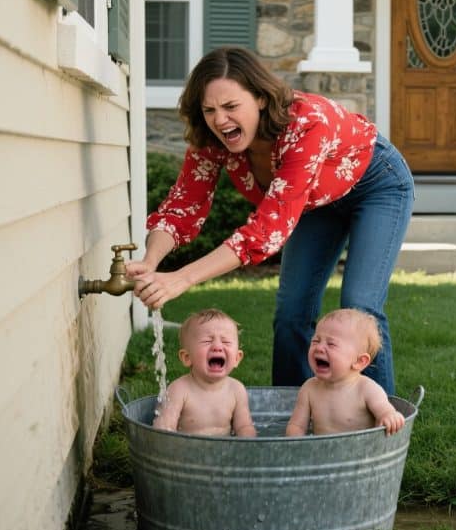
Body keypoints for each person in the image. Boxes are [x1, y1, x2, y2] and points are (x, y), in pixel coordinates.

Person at [127, 46, 414, 395]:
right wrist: (150, 262)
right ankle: (292, 419)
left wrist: (182, 278)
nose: (220, 120)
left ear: (261, 99)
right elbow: (182, 206)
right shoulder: (212, 138)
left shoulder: (306, 123)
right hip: (310, 203)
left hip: (376, 185)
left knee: (359, 307)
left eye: (231, 107)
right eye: (210, 110)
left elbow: (265, 232)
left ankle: (381, 426)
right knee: (292, 311)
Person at [285, 308, 406, 436]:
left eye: (331, 344)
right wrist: (295, 444)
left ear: (360, 361)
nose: (319, 347)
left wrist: (389, 416)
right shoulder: (309, 388)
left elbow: (385, 411)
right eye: (315, 341)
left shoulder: (367, 389)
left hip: (359, 453)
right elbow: (297, 425)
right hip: (319, 453)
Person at [152, 308, 257, 437]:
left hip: (225, 453)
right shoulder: (179, 390)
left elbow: (244, 426)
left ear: (237, 358)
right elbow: (164, 429)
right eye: (207, 341)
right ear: (187, 358)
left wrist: (249, 447)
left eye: (225, 341)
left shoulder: (237, 390)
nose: (217, 347)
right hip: (187, 453)